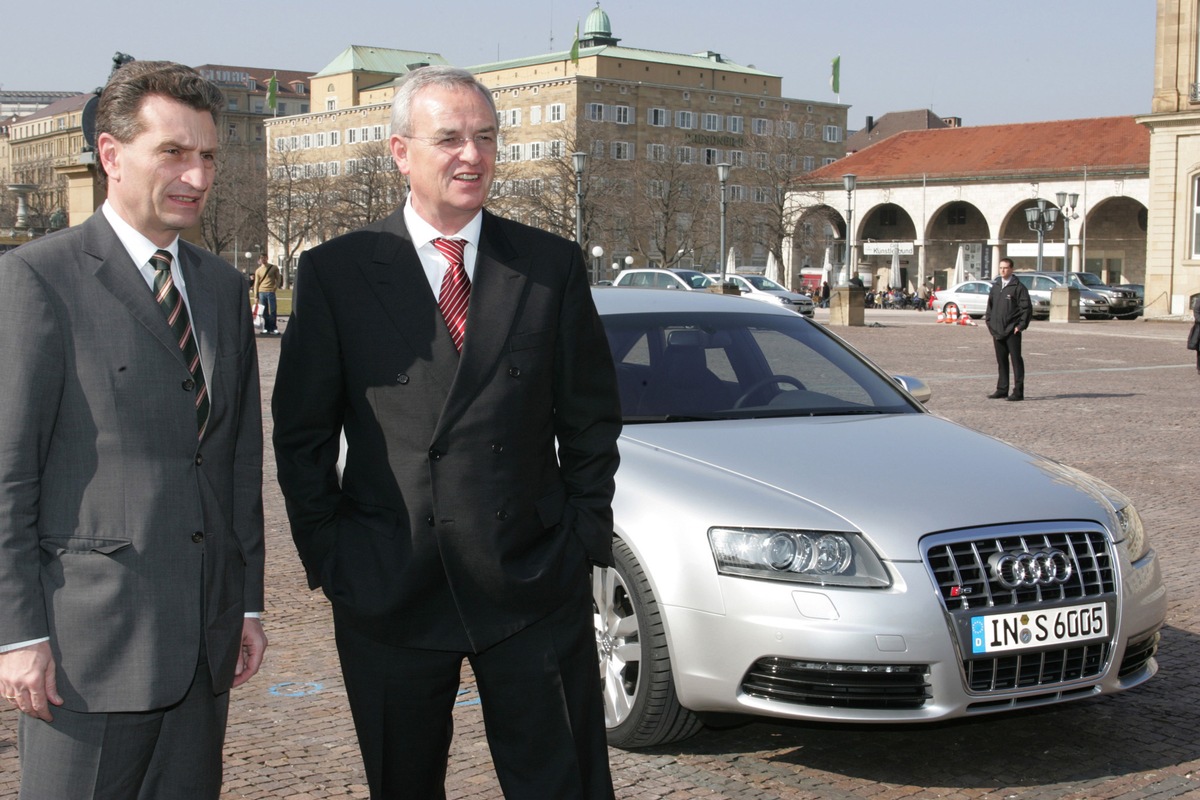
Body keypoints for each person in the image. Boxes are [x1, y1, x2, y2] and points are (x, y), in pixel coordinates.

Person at [272, 65, 621, 799]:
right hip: (389, 584)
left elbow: (589, 418)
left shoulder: (548, 265)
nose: (473, 155)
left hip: (529, 579)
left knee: (565, 785)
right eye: (451, 138)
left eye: (486, 138)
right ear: (401, 151)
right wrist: (332, 557)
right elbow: (301, 433)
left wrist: (583, 534)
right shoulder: (336, 272)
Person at [0, 61, 267, 799]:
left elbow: (237, 460)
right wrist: (17, 635)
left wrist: (244, 603)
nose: (198, 174)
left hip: (201, 647)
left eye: (209, 155)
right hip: (84, 654)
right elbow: (8, 473)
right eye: (175, 152)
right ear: (112, 156)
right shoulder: (38, 279)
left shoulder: (220, 287)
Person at [984, 257, 1033, 401]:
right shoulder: (996, 286)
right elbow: (990, 307)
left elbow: (1026, 308)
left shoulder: (1018, 287)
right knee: (1001, 361)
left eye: (1005, 268)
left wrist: (1020, 326)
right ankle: (1002, 389)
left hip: (1012, 330)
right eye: (1001, 268)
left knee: (1016, 360)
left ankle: (1018, 391)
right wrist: (990, 323)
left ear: (1011, 269)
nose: (1002, 270)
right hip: (997, 330)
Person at [252, 253, 282, 334]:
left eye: (265, 258)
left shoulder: (273, 268)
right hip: (262, 292)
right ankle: (266, 328)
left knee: (273, 310)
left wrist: (275, 288)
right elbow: (256, 283)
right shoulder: (258, 270)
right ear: (259, 260)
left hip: (270, 291)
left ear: (267, 258)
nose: (263, 259)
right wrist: (255, 296)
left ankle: (273, 328)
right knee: (264, 311)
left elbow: (278, 278)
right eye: (261, 258)